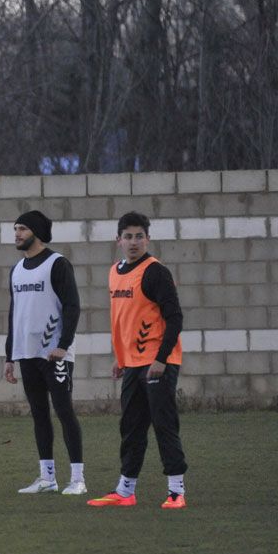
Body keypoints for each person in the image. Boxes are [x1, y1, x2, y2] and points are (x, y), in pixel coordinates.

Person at [89, 212, 188, 509]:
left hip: (157, 363)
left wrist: (161, 359)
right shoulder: (114, 272)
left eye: (139, 236)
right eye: (128, 236)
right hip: (132, 364)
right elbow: (123, 319)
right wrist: (121, 358)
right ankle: (125, 491)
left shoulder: (156, 272)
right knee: (131, 427)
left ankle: (176, 491)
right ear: (118, 240)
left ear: (148, 239)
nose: (134, 242)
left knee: (163, 424)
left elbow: (174, 318)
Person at [1, 210, 85, 495]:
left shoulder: (57, 264)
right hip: (26, 353)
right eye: (16, 229)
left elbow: (72, 306)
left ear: (36, 232)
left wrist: (63, 345)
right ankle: (47, 478)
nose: (17, 234)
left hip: (54, 354)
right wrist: (9, 356)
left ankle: (78, 479)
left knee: (64, 411)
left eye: (22, 229)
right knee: (39, 414)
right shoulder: (16, 269)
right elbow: (14, 314)